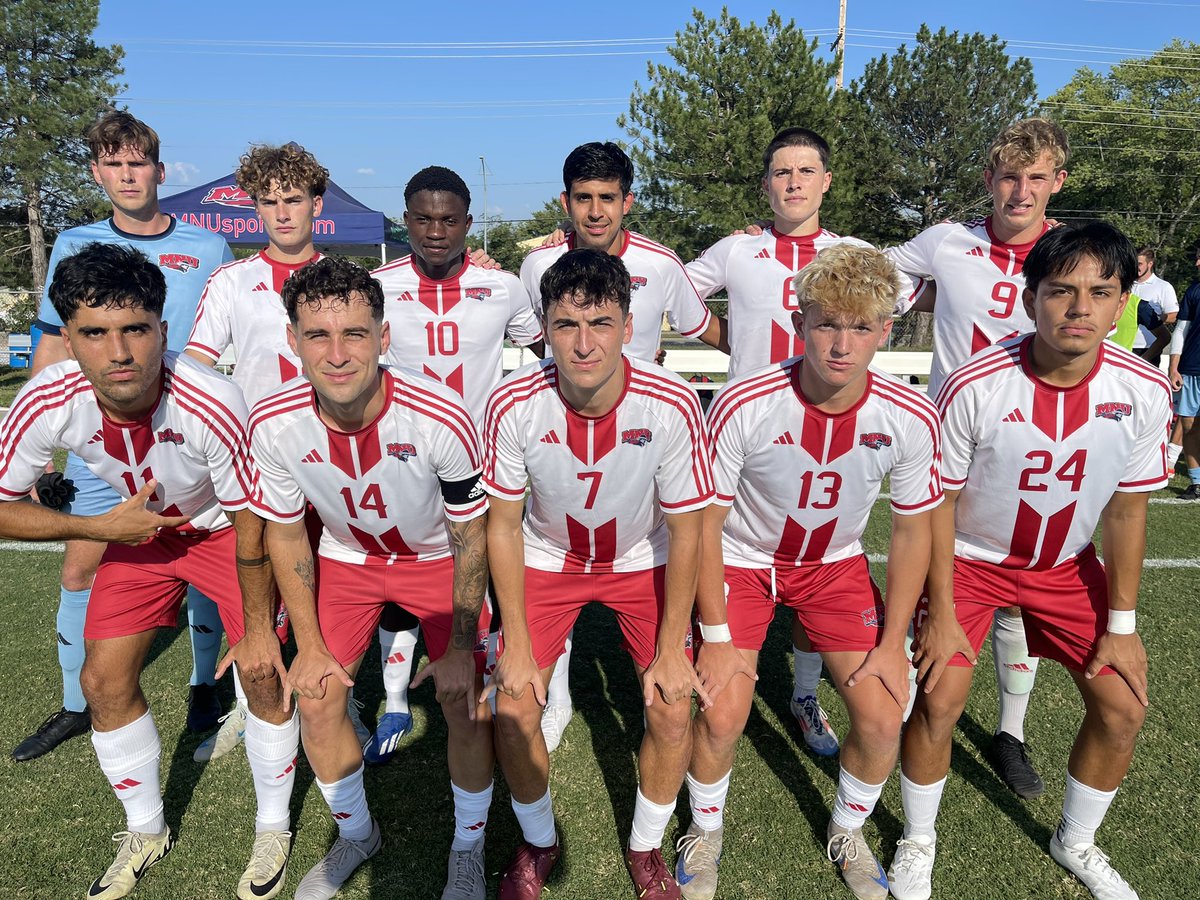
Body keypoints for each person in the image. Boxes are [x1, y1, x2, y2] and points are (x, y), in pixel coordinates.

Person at [0, 243, 295, 900]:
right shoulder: (48, 396)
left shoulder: (211, 398)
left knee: (262, 669)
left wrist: (254, 627)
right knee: (102, 681)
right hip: (134, 532)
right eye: (95, 334)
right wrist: (100, 529)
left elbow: (253, 523)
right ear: (68, 339)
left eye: (136, 329)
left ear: (165, 330)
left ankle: (272, 825)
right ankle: (145, 827)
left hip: (225, 530)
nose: (120, 351)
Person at [893, 222, 1169, 900]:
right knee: (939, 699)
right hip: (971, 561)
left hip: (1066, 567)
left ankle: (1076, 840)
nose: (1080, 308)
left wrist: (1122, 626)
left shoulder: (1142, 390)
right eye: (1061, 291)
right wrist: (945, 612)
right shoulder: (975, 383)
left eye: (1101, 292)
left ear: (1122, 300)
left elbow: (1127, 513)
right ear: (1030, 299)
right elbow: (938, 506)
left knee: (1122, 708)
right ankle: (917, 839)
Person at [677, 244, 940, 900]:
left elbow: (912, 532)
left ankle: (848, 828)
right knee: (720, 709)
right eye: (826, 323)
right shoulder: (745, 401)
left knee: (884, 714)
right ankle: (704, 832)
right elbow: (704, 526)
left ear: (887, 329)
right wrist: (712, 633)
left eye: (860, 326)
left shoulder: (909, 416)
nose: (842, 343)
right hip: (741, 560)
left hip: (833, 566)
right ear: (799, 325)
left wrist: (894, 640)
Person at [249, 256, 494, 900]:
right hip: (347, 560)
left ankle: (468, 846)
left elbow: (473, 534)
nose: (337, 354)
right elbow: (281, 532)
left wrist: (464, 646)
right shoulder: (272, 422)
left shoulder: (439, 413)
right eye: (318, 336)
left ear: (384, 339)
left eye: (355, 334)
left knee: (463, 702)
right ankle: (357, 833)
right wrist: (307, 643)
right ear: (292, 340)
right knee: (320, 692)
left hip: (436, 559)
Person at [686, 126, 925, 758]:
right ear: (766, 184)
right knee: (754, 542)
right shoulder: (737, 249)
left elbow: (924, 286)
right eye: (781, 172)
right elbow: (667, 289)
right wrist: (726, 341)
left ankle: (802, 694)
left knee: (817, 549)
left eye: (805, 171)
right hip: (754, 428)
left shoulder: (857, 251)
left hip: (837, 415)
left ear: (825, 181)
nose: (793, 182)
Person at [483, 249, 713, 899]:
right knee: (512, 705)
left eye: (602, 324)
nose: (584, 345)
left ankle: (645, 849)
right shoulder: (513, 402)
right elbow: (501, 523)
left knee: (672, 705)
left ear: (629, 324)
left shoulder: (670, 401)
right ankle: (537, 841)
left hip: (643, 558)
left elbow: (690, 526)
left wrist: (672, 647)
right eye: (565, 326)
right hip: (547, 557)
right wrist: (520, 645)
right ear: (545, 327)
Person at [18, 111, 233, 761]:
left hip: (182, 436)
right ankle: (76, 704)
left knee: (202, 562)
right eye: (113, 164)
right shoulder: (74, 243)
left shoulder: (207, 247)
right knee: (82, 564)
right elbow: (53, 343)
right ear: (96, 173)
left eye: (137, 162)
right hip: (99, 440)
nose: (126, 174)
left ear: (159, 171)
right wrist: (49, 450)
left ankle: (204, 687)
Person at [518, 141, 725, 753]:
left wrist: (784, 363)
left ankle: (658, 673)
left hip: (645, 439)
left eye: (608, 197)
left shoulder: (661, 264)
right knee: (558, 542)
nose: (596, 211)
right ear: (566, 202)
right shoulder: (536, 268)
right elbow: (539, 342)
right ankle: (557, 696)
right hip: (567, 429)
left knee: (651, 548)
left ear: (627, 201)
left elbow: (706, 328)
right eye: (583, 198)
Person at [886, 117, 1070, 799]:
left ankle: (1010, 732)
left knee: (1017, 598)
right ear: (988, 179)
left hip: (1037, 448)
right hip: (945, 448)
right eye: (1009, 176)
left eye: (1036, 177)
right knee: (932, 584)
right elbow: (882, 273)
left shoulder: (1072, 253)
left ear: (1058, 181)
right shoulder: (946, 242)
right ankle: (911, 706)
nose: (1020, 191)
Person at [184, 141, 371, 758]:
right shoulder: (233, 282)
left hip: (338, 456)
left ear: (318, 203)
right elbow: (197, 370)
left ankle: (344, 693)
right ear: (255, 208)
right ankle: (252, 703)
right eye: (269, 202)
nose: (282, 213)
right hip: (261, 461)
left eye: (294, 199)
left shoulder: (351, 282)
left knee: (337, 579)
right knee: (257, 584)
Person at [370, 165, 544, 764]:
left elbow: (542, 347)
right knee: (401, 577)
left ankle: (487, 678)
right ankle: (394, 699)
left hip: (486, 461)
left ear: (469, 224)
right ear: (405, 219)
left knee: (488, 577)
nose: (436, 230)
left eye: (449, 220)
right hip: (404, 461)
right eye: (423, 218)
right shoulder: (377, 286)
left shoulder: (504, 288)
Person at [1167, 244, 1200, 499]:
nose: (1197, 264)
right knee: (1188, 427)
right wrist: (1173, 366)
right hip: (1190, 370)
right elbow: (1180, 330)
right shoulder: (1194, 290)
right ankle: (1196, 482)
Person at [1130, 246, 1178, 365]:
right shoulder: (1125, 284)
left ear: (1150, 264)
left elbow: (1173, 316)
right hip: (1123, 346)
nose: (1136, 267)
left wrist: (1149, 318)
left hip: (1148, 347)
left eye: (1140, 264)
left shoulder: (1163, 286)